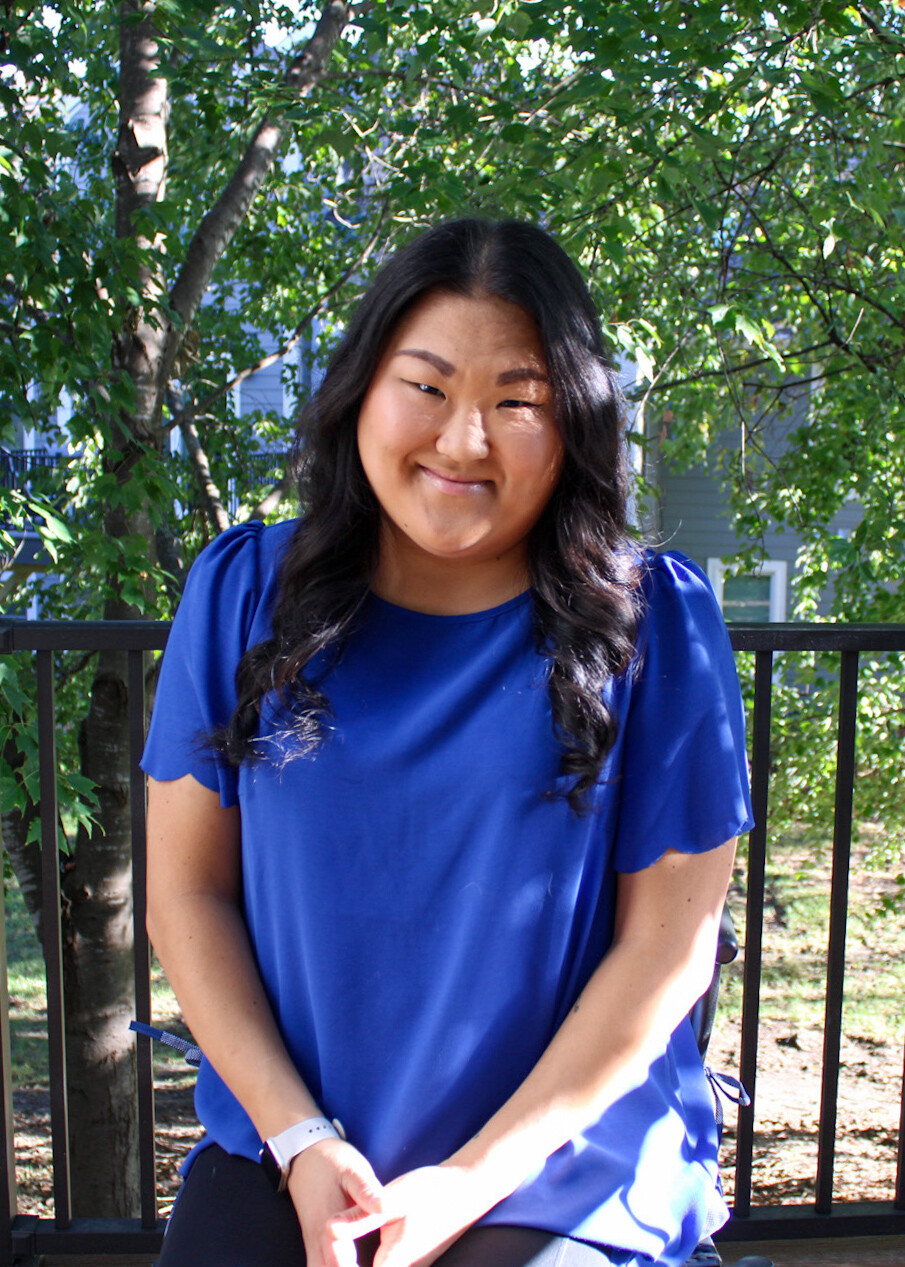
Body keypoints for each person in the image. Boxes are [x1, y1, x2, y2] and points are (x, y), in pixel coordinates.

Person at [142, 218, 754, 1267]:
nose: (463, 439)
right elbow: (185, 894)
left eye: (516, 401)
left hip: (565, 1159)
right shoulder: (243, 592)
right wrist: (297, 1139)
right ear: (360, 393)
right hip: (295, 1145)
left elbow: (667, 949)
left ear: (574, 424)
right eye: (424, 386)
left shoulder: (652, 623)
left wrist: (470, 1181)